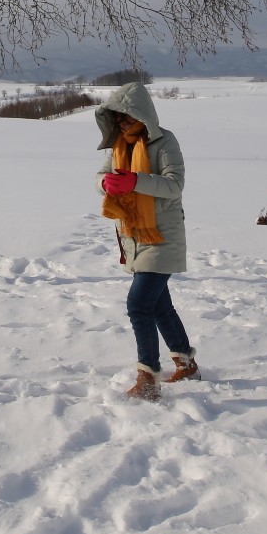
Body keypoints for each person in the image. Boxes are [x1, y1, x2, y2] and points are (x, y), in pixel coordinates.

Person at [94, 74, 196, 402]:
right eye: (117, 119)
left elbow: (173, 185)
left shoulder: (165, 142)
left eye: (126, 117)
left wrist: (135, 181)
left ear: (142, 115)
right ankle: (186, 363)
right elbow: (101, 176)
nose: (122, 124)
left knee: (139, 304)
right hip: (133, 235)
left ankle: (148, 377)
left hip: (161, 235)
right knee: (159, 306)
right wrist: (106, 185)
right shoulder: (120, 146)